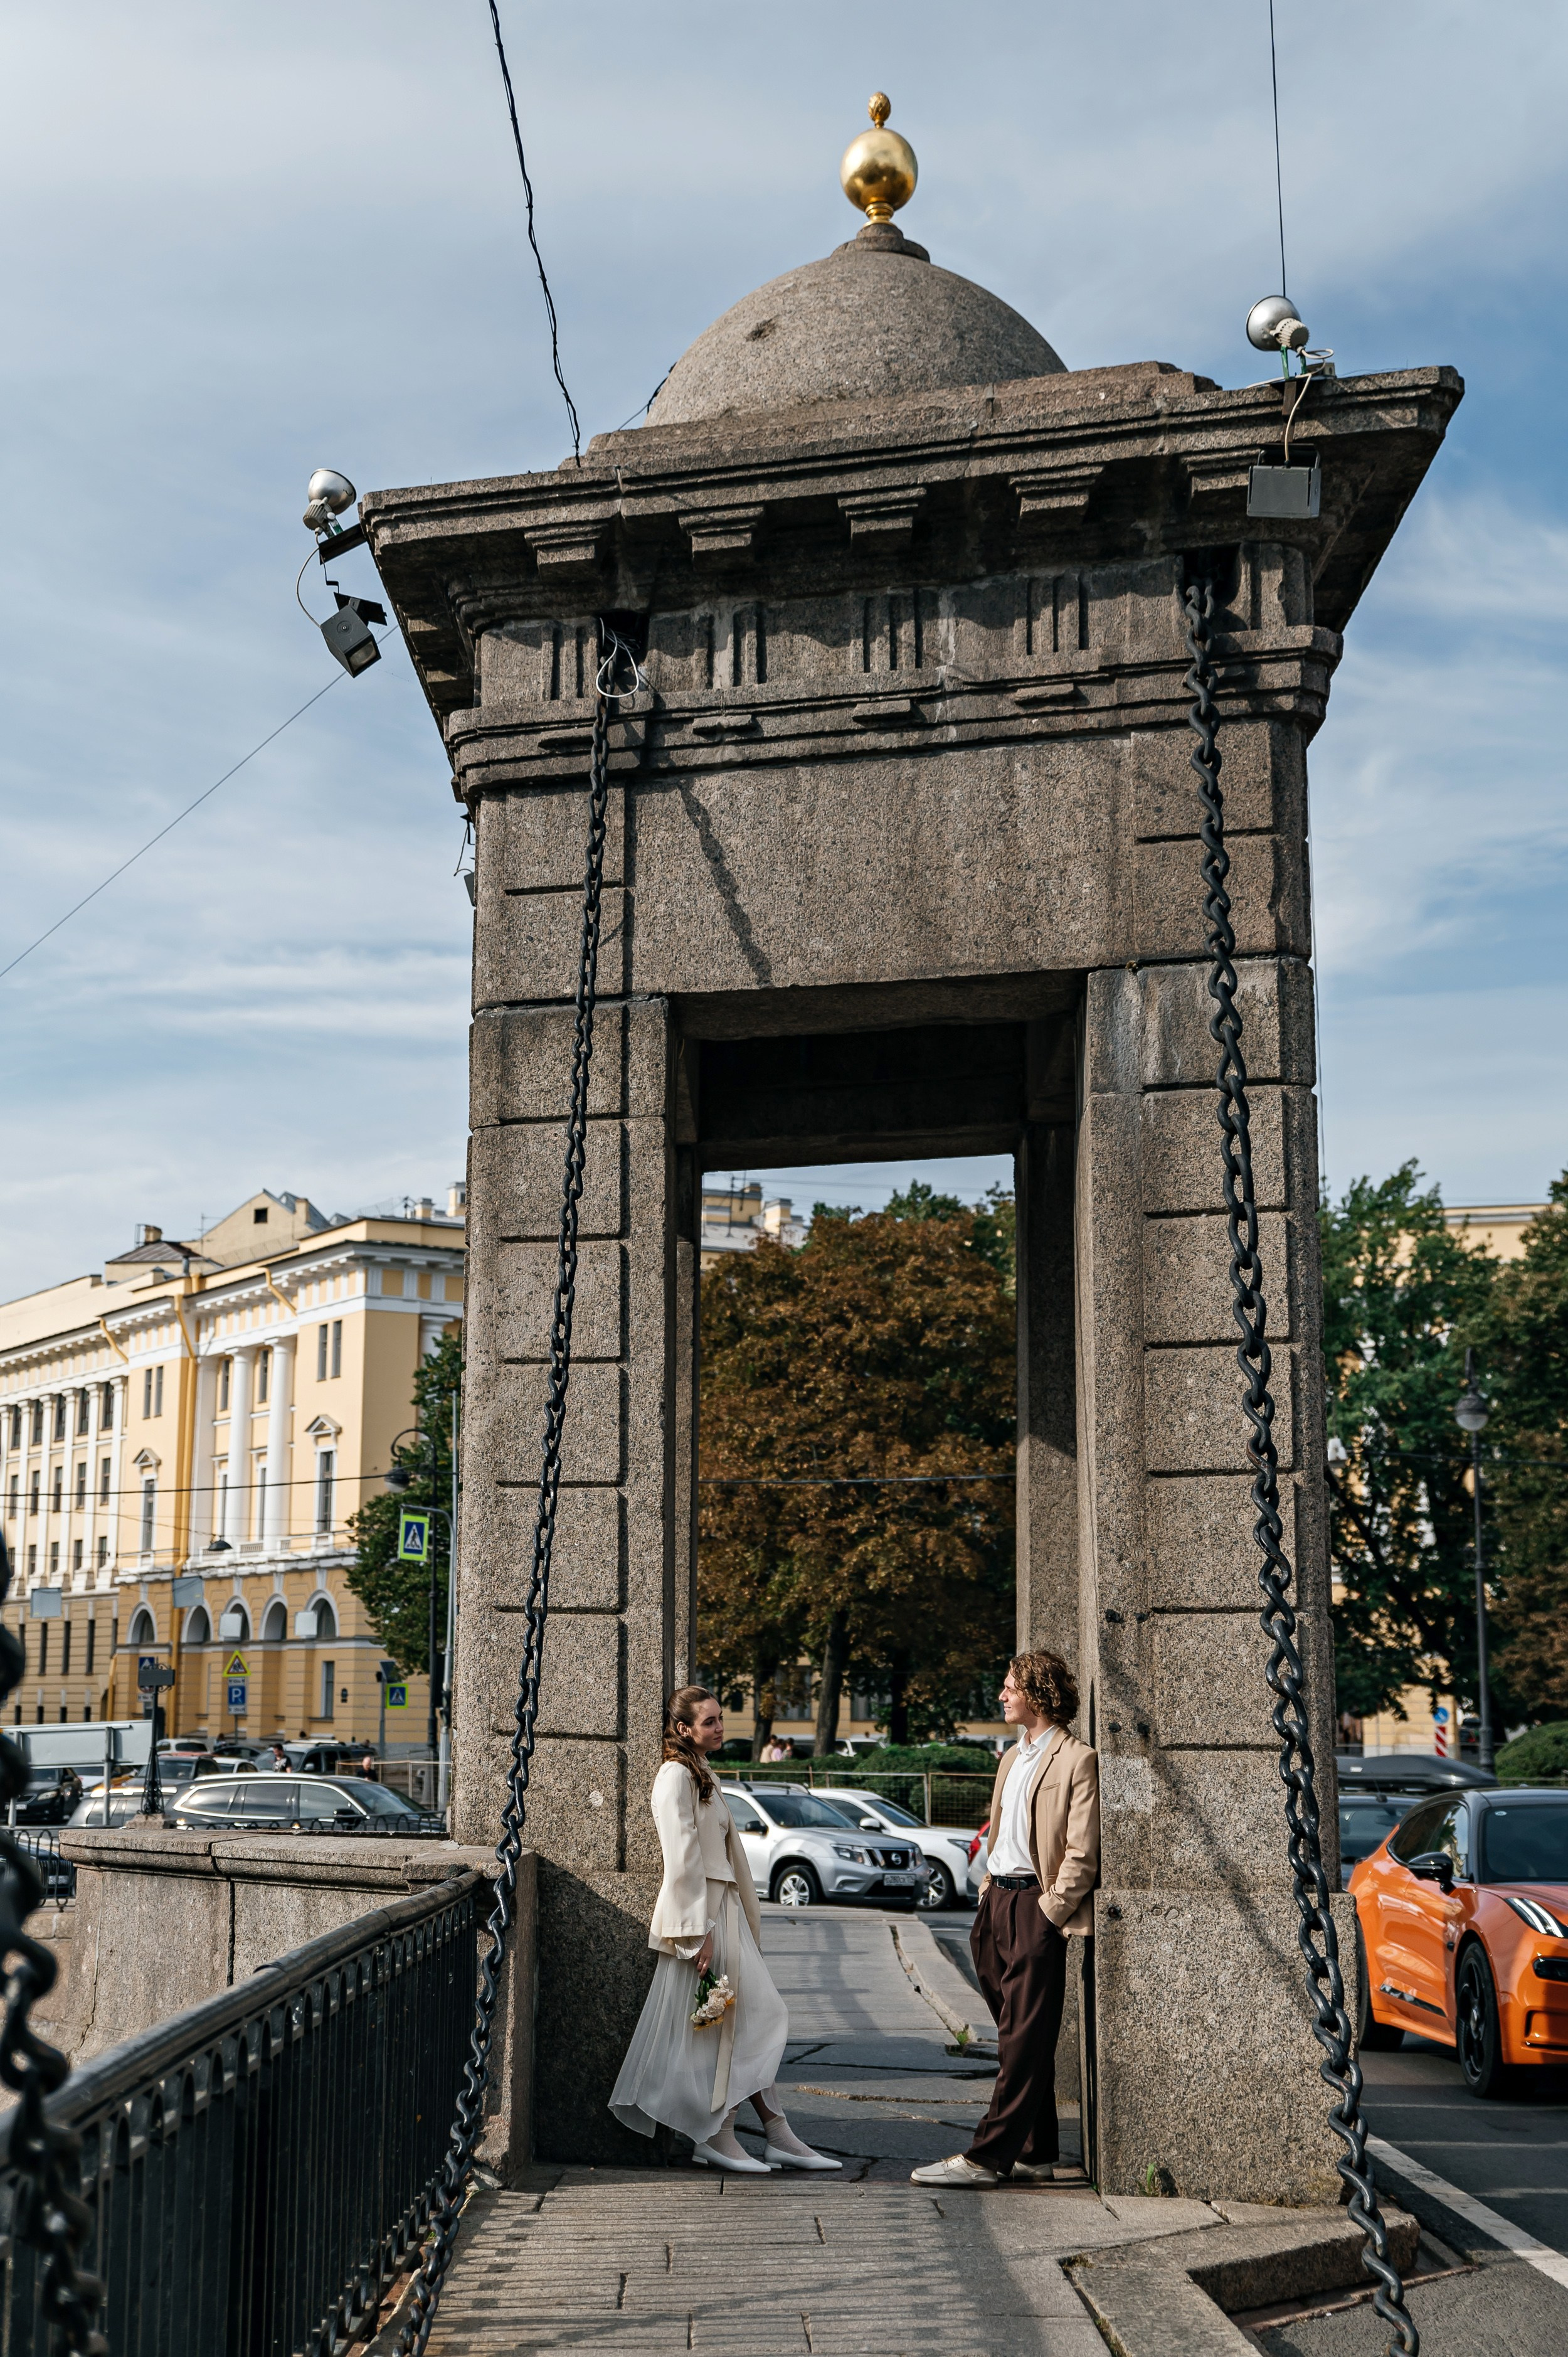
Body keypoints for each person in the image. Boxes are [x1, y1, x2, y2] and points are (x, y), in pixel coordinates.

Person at [610, 1685, 840, 2174]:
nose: (720, 1727)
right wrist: (699, 1931)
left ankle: (774, 2134)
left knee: (736, 2024)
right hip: (706, 1918)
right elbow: (682, 1857)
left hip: (724, 1913)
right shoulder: (675, 1775)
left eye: (720, 1718)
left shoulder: (700, 1770)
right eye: (709, 1720)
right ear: (683, 1728)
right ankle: (721, 2134)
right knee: (749, 2020)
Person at [911, 1649, 1098, 2189]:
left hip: (1037, 1908)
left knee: (1021, 2038)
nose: (1002, 1695)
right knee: (1019, 2035)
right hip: (996, 1904)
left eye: (1010, 1687)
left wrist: (1051, 1910)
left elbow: (1083, 1851)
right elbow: (1000, 1831)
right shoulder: (1012, 1757)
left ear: (1038, 1692)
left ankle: (986, 2156)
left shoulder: (1076, 1759)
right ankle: (1036, 2150)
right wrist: (987, 1889)